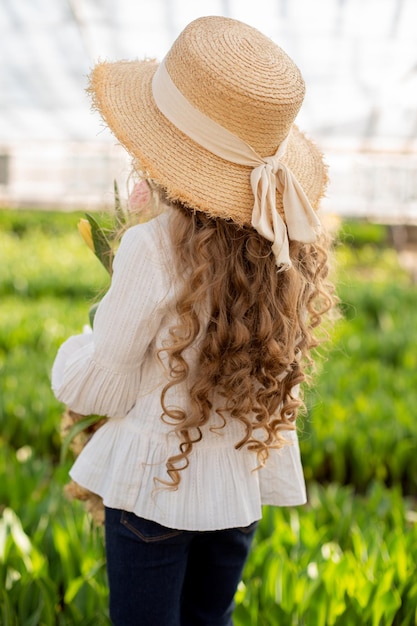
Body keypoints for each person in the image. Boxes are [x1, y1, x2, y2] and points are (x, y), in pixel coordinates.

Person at [52, 15, 335, 626]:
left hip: (159, 487)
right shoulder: (279, 248)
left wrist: (75, 351)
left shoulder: (153, 247)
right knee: (210, 619)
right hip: (237, 486)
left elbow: (109, 382)